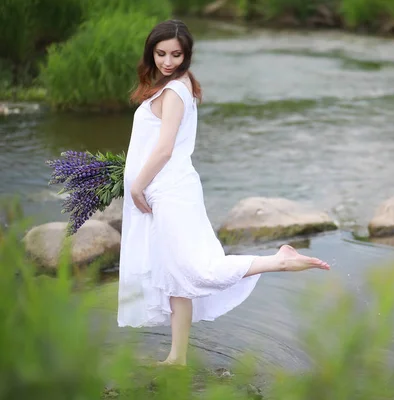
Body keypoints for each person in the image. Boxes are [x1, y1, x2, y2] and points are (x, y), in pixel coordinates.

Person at [117, 19, 330, 366]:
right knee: (175, 278)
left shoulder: (172, 92)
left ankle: (280, 261)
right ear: (150, 52)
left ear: (186, 56)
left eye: (175, 54)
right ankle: (178, 358)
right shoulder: (179, 84)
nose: (167, 61)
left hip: (168, 191)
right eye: (160, 53)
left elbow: (165, 148)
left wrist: (137, 184)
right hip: (173, 188)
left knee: (197, 270)